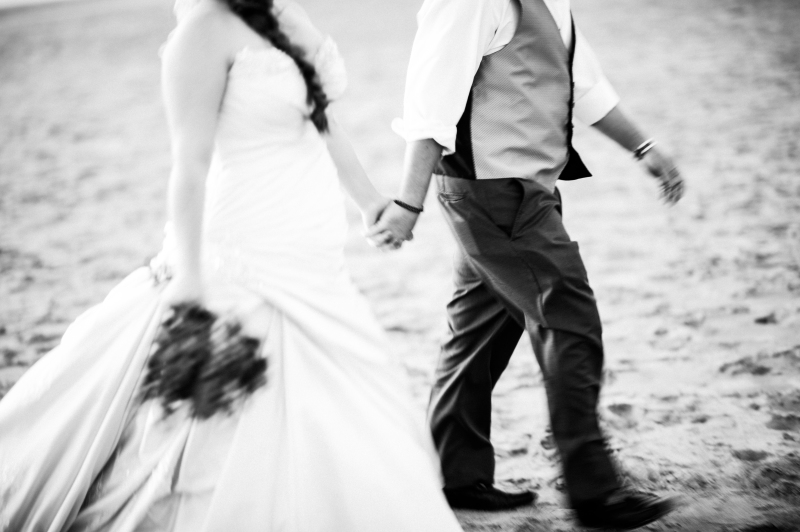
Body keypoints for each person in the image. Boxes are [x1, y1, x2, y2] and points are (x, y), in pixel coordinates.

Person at [0, 1, 465, 530]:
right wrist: (193, 278)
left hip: (309, 248)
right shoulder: (199, 35)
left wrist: (367, 201)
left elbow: (321, 122)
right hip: (242, 243)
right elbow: (189, 165)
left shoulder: (287, 19)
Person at [367, 0, 685, 528]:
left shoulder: (551, 2)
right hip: (493, 194)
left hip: (521, 190)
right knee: (570, 321)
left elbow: (583, 85)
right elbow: (429, 107)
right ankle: (595, 493)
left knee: (477, 332)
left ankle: (458, 477)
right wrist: (407, 205)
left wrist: (644, 147)